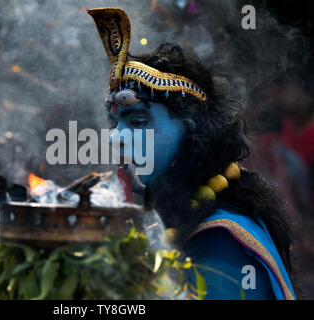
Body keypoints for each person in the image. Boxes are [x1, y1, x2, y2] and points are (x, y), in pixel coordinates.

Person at [87, 7, 296, 300]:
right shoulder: (188, 215)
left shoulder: (220, 239)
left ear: (189, 130)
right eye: (114, 122)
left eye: (137, 122)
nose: (115, 138)